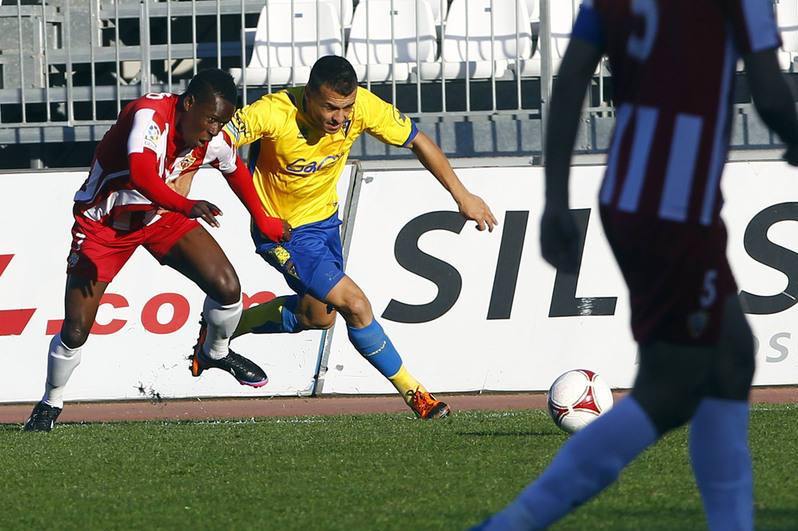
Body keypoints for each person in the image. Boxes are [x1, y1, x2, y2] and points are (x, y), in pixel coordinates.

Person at [459, 0, 798, 531]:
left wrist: (556, 199)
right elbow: (767, 89)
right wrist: (796, 135)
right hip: (674, 208)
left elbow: (573, 75)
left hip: (633, 195)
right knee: (670, 388)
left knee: (731, 356)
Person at [205, 55, 498, 419]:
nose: (339, 118)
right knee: (356, 305)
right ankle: (415, 393)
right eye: (330, 107)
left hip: (325, 225)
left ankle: (221, 332)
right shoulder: (272, 112)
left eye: (345, 108)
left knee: (318, 318)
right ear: (308, 94)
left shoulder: (362, 108)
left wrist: (462, 195)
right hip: (284, 233)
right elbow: (212, 141)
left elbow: (418, 140)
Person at [24, 69, 291, 432]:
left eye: (222, 122)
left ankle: (214, 353)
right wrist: (186, 205)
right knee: (75, 330)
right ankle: (49, 403)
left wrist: (264, 218)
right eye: (212, 119)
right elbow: (141, 173)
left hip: (160, 217)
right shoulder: (149, 116)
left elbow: (236, 169)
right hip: (104, 227)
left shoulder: (210, 137)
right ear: (188, 103)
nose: (215, 129)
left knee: (228, 288)